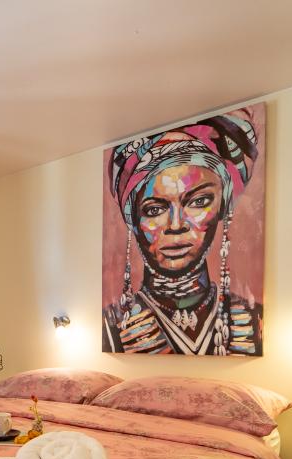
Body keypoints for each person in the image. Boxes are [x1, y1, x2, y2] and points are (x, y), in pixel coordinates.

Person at [102, 108, 262, 355]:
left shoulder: (252, 321)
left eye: (198, 202)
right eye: (155, 209)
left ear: (222, 206)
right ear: (133, 219)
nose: (176, 225)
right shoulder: (112, 327)